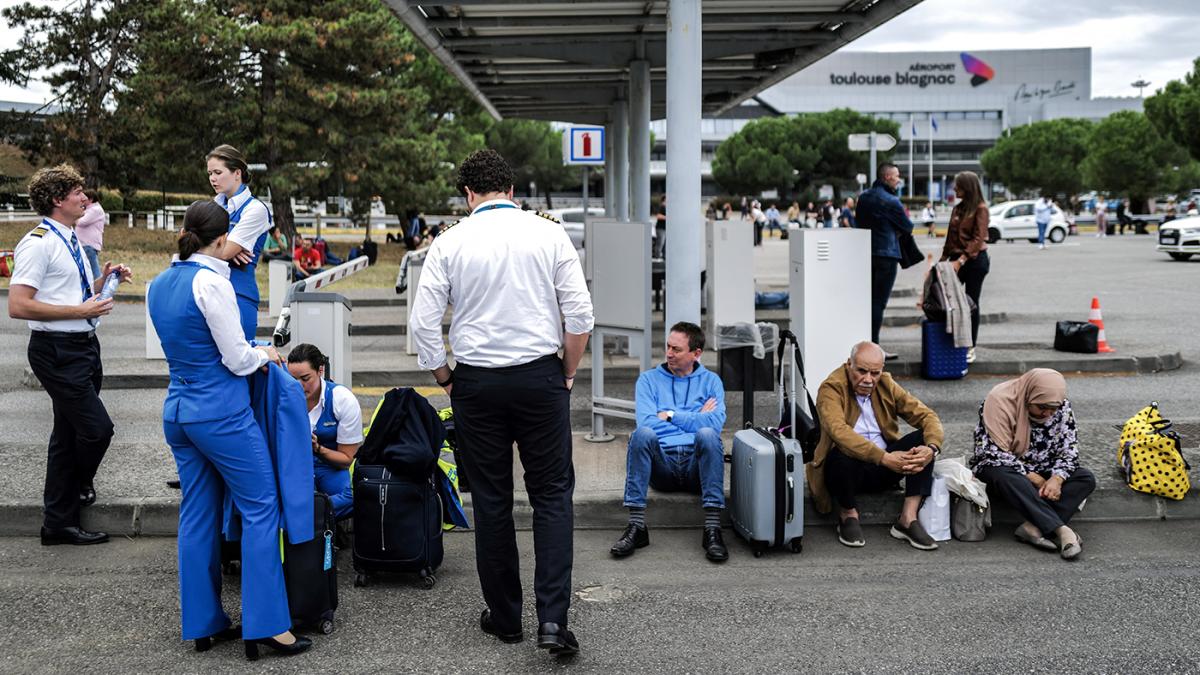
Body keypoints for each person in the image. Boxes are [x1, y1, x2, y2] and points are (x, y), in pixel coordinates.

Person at [411, 149, 593, 656]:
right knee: (552, 496)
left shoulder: (449, 241)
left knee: (491, 501)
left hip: (477, 383)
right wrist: (568, 371)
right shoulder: (549, 232)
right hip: (540, 378)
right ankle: (553, 622)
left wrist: (446, 377)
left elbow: (423, 325)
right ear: (511, 190)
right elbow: (579, 316)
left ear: (468, 195)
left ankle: (506, 618)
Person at [147, 200, 311, 658]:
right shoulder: (211, 282)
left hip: (178, 410)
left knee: (197, 513)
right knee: (261, 508)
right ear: (221, 240)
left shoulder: (158, 283)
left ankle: (203, 621)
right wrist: (266, 354)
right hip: (220, 413)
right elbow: (237, 359)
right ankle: (268, 626)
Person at [9, 164, 131, 546]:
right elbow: (18, 305)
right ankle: (77, 486)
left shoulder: (71, 237)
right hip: (56, 350)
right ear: (57, 200)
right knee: (96, 430)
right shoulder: (39, 242)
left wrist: (103, 281)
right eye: (77, 192)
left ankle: (58, 522)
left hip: (82, 347)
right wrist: (80, 312)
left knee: (67, 435)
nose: (85, 198)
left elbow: (65, 291)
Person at [610, 322, 728, 563]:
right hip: (662, 465)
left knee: (708, 435)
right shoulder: (648, 380)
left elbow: (715, 424)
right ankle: (636, 527)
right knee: (641, 434)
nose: (669, 353)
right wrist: (697, 417)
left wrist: (671, 415)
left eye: (677, 349)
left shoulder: (711, 381)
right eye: (668, 346)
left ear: (696, 354)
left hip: (697, 467)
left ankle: (713, 529)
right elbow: (647, 422)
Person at [810, 341, 944, 550]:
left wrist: (932, 448)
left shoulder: (885, 384)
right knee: (840, 454)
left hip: (884, 468)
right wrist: (885, 458)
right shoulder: (831, 388)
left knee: (922, 443)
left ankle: (907, 518)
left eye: (874, 373)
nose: (868, 379)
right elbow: (839, 432)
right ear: (849, 365)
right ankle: (848, 514)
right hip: (847, 472)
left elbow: (927, 416)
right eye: (861, 371)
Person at [970, 369, 1095, 560]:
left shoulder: (1061, 408)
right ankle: (1062, 531)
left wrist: (1057, 479)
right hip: (1003, 467)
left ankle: (1032, 527)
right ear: (1029, 396)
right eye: (1042, 407)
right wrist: (1032, 477)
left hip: (1044, 468)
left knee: (1085, 478)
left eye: (1053, 408)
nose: (1048, 413)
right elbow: (992, 452)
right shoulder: (999, 401)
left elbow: (1069, 451)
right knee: (1005, 475)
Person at [287, 343, 361, 518]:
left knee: (357, 494)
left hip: (330, 468)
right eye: (292, 379)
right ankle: (318, 515)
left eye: (305, 379)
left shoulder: (342, 399)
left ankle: (308, 514)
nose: (298, 386)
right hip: (294, 468)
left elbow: (346, 460)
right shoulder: (282, 397)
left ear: (320, 371)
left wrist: (317, 449)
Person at [208, 144, 271, 341]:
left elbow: (225, 252)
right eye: (210, 173)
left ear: (237, 173)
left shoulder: (255, 209)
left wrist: (204, 246)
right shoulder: (213, 205)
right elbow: (184, 241)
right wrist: (223, 248)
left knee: (239, 366)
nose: (212, 178)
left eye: (218, 172)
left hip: (238, 295)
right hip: (209, 292)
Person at [854, 163, 914, 357]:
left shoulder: (863, 198)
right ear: (887, 177)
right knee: (878, 302)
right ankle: (874, 348)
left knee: (867, 301)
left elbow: (859, 223)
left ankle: (864, 345)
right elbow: (908, 226)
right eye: (896, 176)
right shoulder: (891, 201)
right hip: (886, 256)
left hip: (865, 254)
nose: (899, 179)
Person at [940, 171, 990, 364]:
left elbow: (978, 239)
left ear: (967, 188)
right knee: (945, 300)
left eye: (958, 186)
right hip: (954, 260)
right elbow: (949, 238)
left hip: (974, 261)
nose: (954, 189)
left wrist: (961, 260)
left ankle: (970, 346)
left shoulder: (981, 209)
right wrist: (942, 261)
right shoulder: (958, 209)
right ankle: (951, 340)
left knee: (971, 303)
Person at [75, 189, 106, 279]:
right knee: (88, 270)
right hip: (84, 244)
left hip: (88, 244)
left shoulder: (95, 210)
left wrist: (75, 216)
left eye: (85, 199)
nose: (82, 200)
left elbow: (81, 222)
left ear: (91, 199)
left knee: (94, 271)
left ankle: (100, 290)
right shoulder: (90, 209)